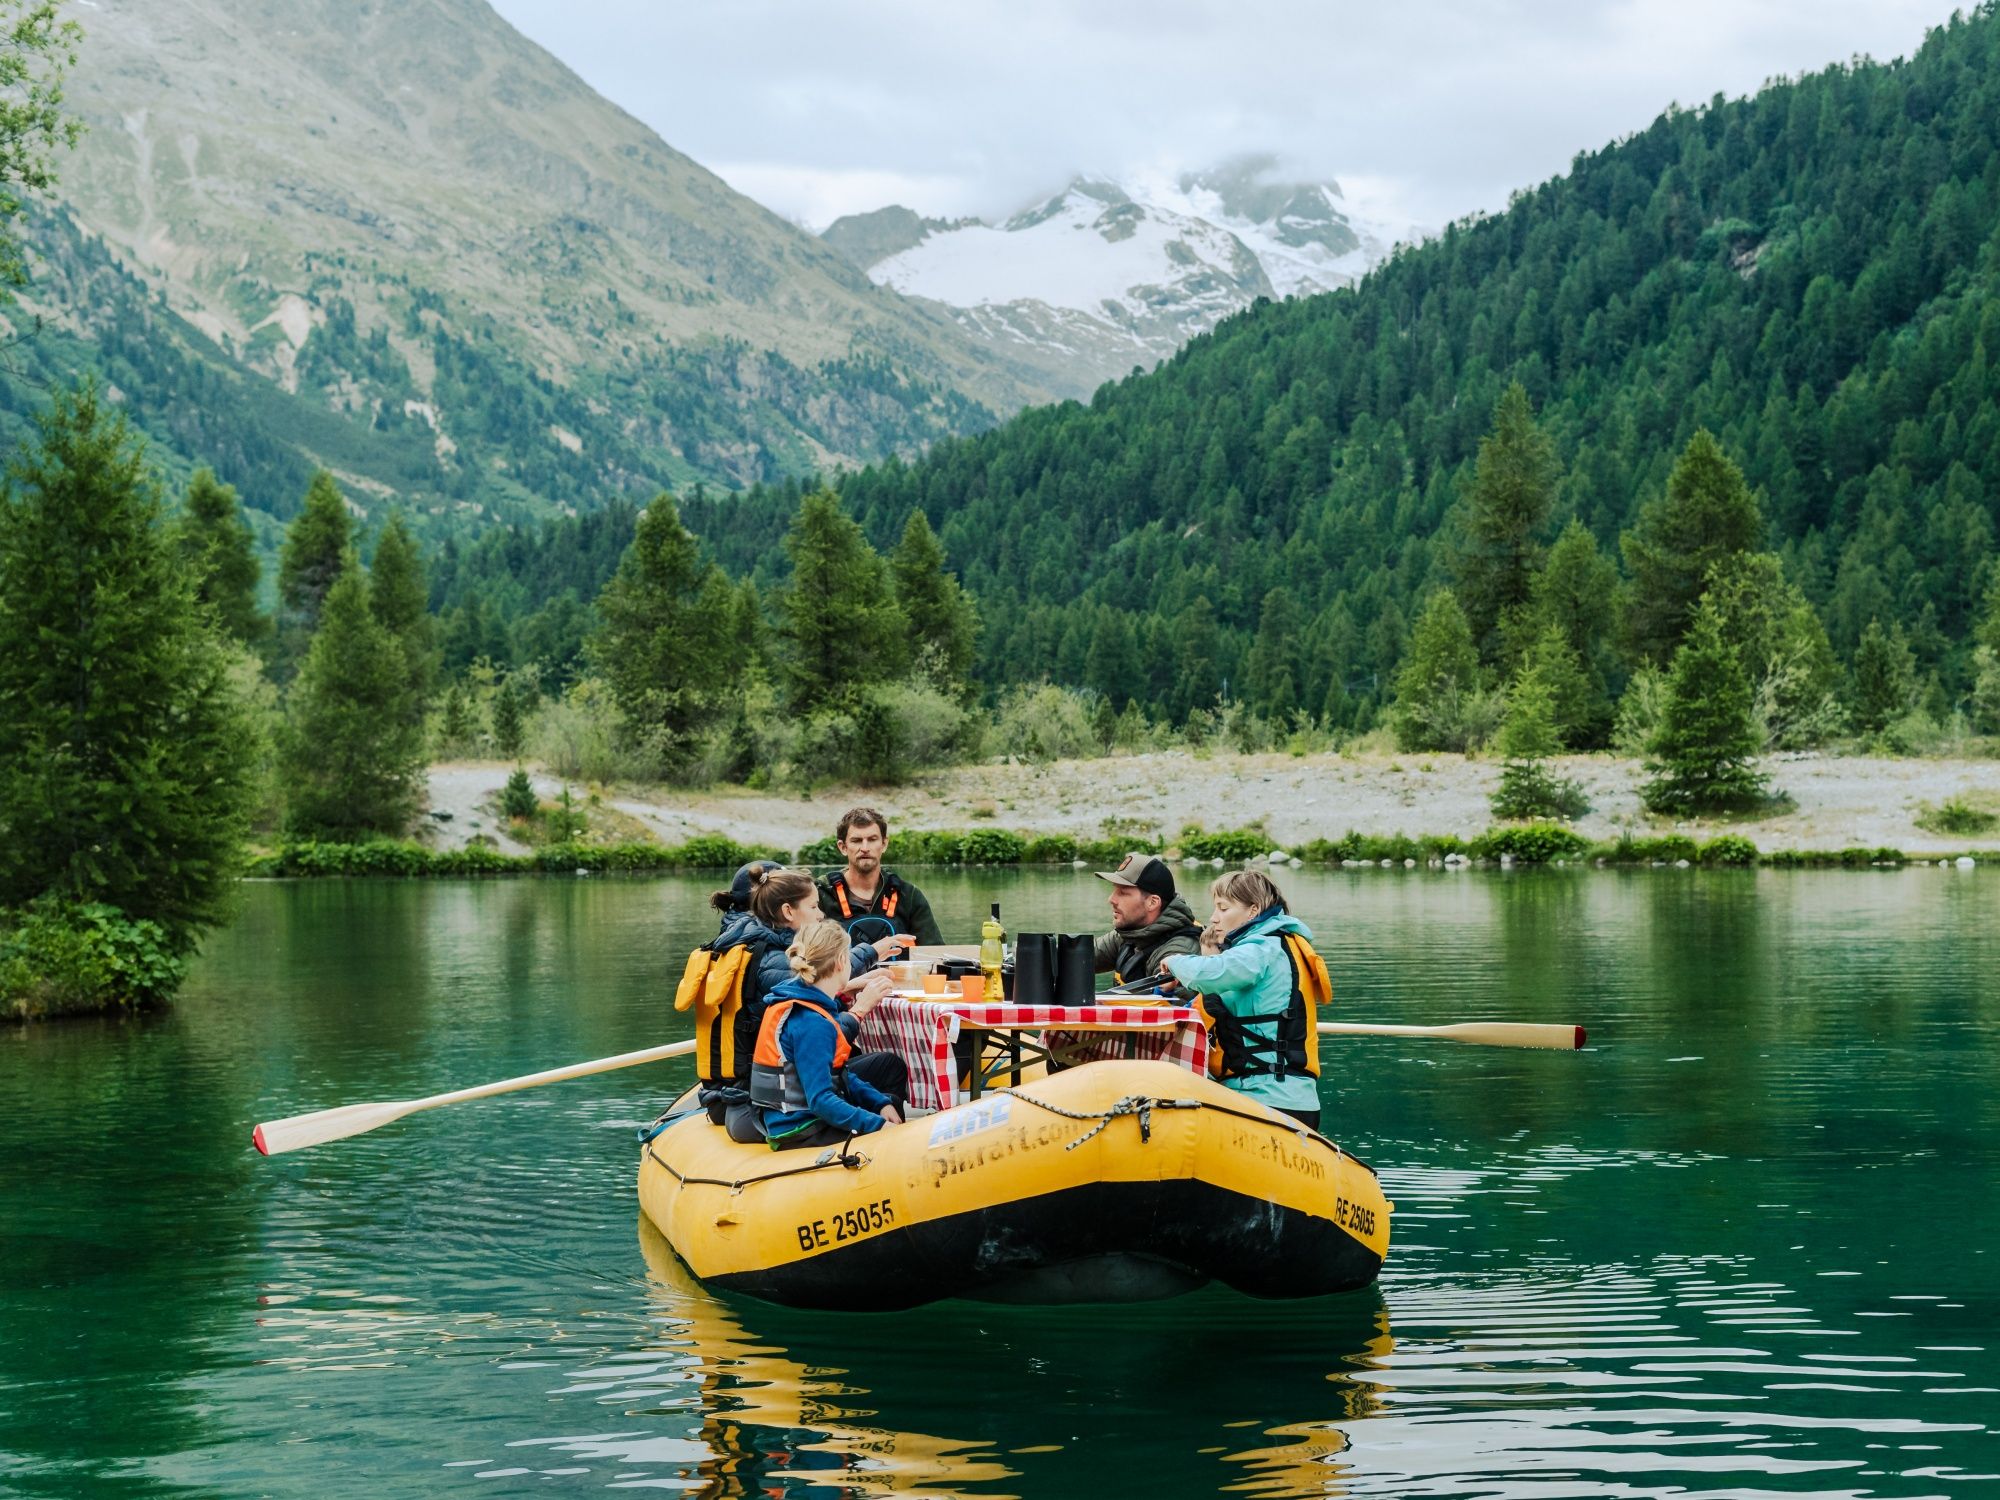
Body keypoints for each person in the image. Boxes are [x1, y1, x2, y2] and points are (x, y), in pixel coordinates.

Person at [701, 866, 910, 1142]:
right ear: (788, 911)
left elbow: (834, 1062)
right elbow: (819, 1048)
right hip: (762, 1106)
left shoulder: (753, 944)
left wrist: (880, 1102)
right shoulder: (776, 965)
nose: (820, 914)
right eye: (814, 906)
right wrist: (859, 1009)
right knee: (886, 1071)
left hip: (750, 1091)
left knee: (873, 1087)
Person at [1160, 869, 1325, 1129]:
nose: (1214, 918)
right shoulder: (1274, 944)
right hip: (1284, 1099)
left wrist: (1174, 962)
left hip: (1271, 1099)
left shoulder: (1262, 948)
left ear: (1253, 910)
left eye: (1223, 909)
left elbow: (1218, 972)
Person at [752, 919, 909, 1150]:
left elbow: (839, 1075)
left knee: (889, 1103)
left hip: (791, 1120)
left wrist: (881, 1104)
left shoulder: (800, 1001)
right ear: (841, 961)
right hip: (800, 1129)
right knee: (886, 1129)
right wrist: (879, 1126)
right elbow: (820, 1100)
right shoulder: (812, 1022)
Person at [818, 807, 944, 948]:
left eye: (872, 840)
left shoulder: (909, 895)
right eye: (857, 841)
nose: (865, 848)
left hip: (897, 970)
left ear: (884, 844)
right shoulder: (820, 894)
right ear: (843, 847)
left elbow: (934, 951)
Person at [1091, 852, 1203, 984]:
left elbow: (1167, 1003)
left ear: (1152, 902)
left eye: (1123, 893)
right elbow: (1073, 959)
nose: (1111, 899)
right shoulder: (1130, 933)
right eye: (1114, 890)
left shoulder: (1178, 952)